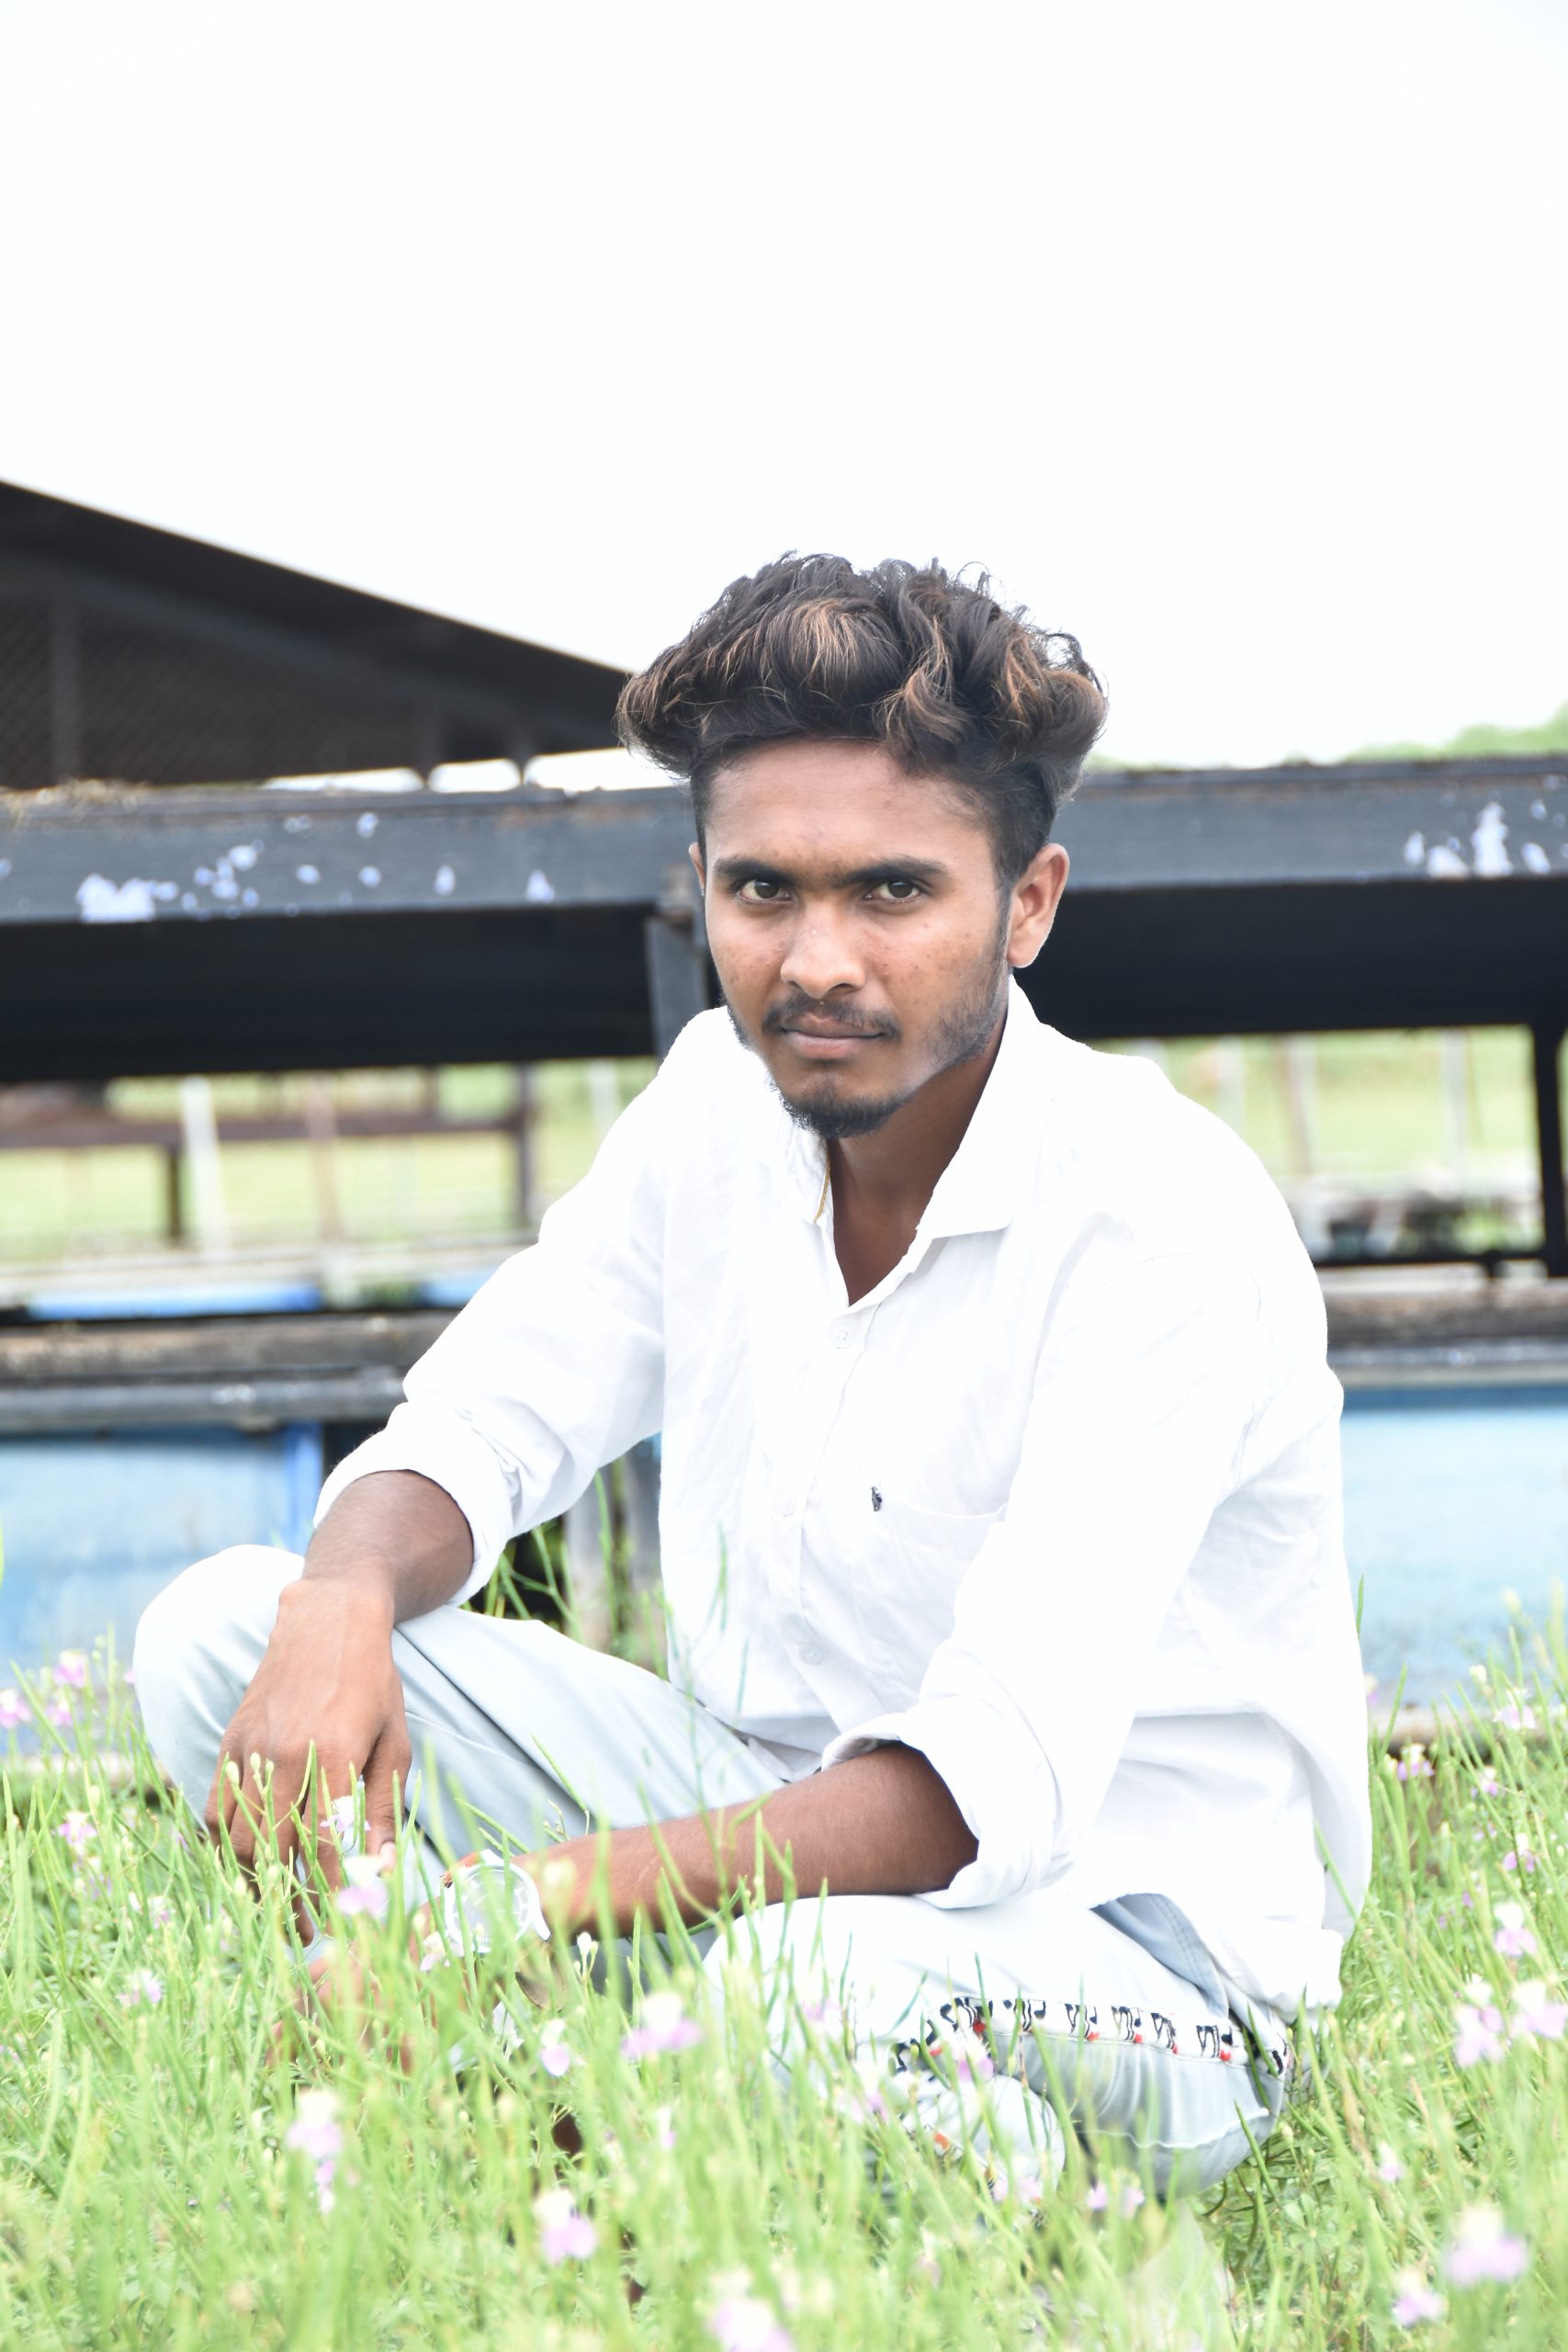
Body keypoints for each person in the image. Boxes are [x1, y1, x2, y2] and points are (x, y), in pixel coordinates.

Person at [134, 554, 1371, 2198]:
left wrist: (533, 1900)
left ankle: (1067, 2264)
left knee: (801, 1989)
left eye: (894, 892)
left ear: (1029, 902)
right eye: (765, 891)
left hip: (1139, 1961)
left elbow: (983, 1781)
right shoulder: (719, 1104)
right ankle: (473, 2111)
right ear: (704, 882)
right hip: (775, 1846)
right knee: (225, 1633)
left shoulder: (1157, 1209)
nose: (817, 961)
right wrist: (339, 1600)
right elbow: (490, 1416)